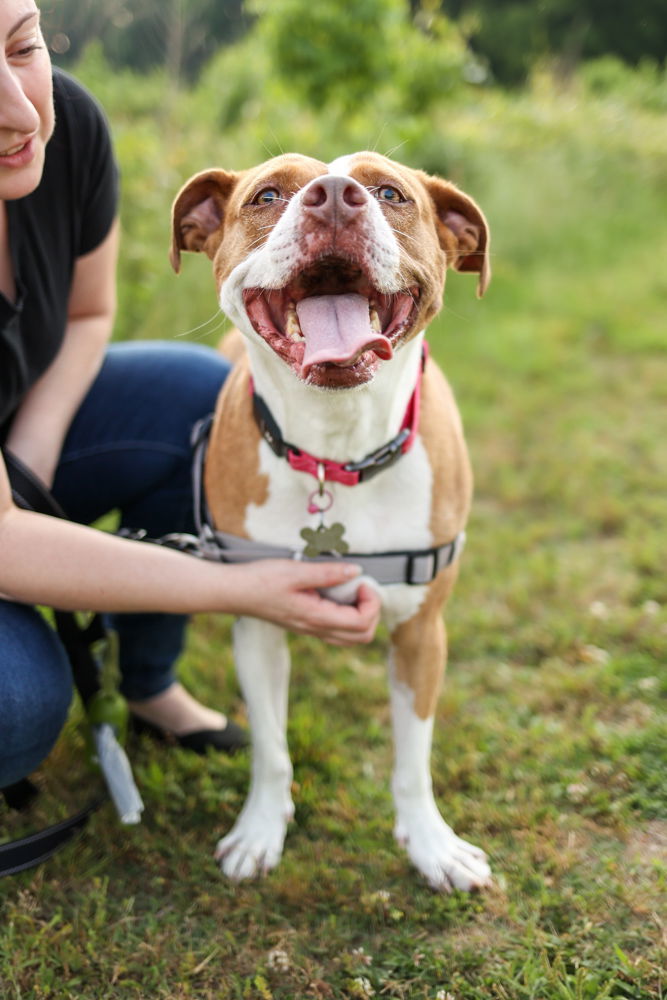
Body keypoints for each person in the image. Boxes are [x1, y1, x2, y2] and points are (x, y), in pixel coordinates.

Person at [0, 0, 381, 790]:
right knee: (15, 707)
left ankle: (149, 682)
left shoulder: (61, 122)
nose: (18, 111)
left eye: (22, 45)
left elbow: (88, 313)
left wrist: (29, 464)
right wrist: (242, 589)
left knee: (206, 396)